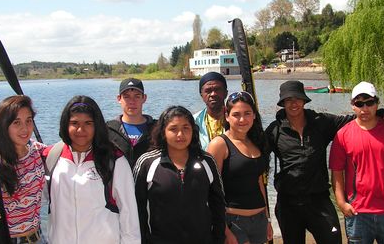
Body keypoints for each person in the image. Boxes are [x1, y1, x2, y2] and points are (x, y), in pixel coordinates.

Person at [265, 80, 384, 244]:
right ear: (283, 103)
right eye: (288, 100)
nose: (293, 103)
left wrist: (382, 113)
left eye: (297, 98)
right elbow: (256, 158)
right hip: (288, 202)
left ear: (304, 100)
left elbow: (354, 118)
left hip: (318, 199)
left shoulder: (321, 122)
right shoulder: (274, 131)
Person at [45, 95, 140, 244]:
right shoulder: (53, 156)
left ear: (97, 125)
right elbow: (36, 198)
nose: (80, 129)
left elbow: (130, 215)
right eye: (74, 123)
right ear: (65, 124)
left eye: (88, 123)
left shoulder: (115, 160)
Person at [330, 81, 384, 244]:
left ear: (377, 104)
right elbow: (337, 172)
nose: (365, 108)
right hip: (357, 213)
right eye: (359, 103)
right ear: (353, 105)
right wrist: (341, 202)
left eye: (369, 103)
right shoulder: (342, 135)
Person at [134, 106, 225, 244]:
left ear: (193, 131)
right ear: (163, 132)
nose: (180, 134)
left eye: (186, 128)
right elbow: (137, 209)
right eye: (173, 129)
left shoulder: (207, 161)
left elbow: (218, 204)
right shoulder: (147, 163)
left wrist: (218, 239)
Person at [0, 95, 47, 243]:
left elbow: (70, 150)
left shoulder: (38, 151)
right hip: (3, 240)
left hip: (37, 238)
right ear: (3, 125)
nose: (25, 128)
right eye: (16, 122)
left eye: (29, 121)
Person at [207, 91, 273, 244]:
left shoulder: (257, 142)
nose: (242, 119)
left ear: (254, 115)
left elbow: (259, 183)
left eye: (247, 113)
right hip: (233, 221)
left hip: (259, 221)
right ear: (227, 116)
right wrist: (223, 229)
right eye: (236, 114)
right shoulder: (219, 144)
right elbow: (210, 189)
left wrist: (268, 218)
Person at [107, 78, 156, 169]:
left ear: (144, 98)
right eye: (126, 96)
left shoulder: (156, 128)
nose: (132, 102)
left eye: (137, 96)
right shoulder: (109, 129)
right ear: (119, 99)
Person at [193, 72, 228, 150]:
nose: (213, 94)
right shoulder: (193, 121)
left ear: (226, 93)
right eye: (208, 91)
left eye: (217, 89)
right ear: (201, 95)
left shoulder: (236, 119)